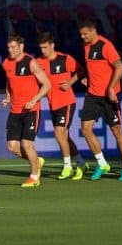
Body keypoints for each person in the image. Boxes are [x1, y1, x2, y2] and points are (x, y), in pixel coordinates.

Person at [78, 19, 122, 181]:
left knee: (116, 131)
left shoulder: (105, 45)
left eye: (85, 34)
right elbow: (94, 68)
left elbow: (120, 67)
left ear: (94, 30)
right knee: (86, 129)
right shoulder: (86, 47)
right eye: (81, 34)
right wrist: (88, 78)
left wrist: (110, 88)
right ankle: (102, 163)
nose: (83, 37)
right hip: (92, 95)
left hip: (109, 96)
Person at [36, 32, 88, 180]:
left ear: (52, 45)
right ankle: (81, 162)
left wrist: (70, 83)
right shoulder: (39, 62)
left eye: (45, 47)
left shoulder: (65, 59)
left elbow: (81, 71)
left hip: (67, 102)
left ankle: (67, 166)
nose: (43, 51)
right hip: (53, 104)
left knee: (59, 133)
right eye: (41, 48)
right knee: (64, 136)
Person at [2, 34, 51, 187]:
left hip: (31, 109)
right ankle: (37, 161)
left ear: (21, 47)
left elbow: (47, 85)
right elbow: (9, 82)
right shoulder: (6, 63)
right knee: (12, 147)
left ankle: (34, 176)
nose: (10, 50)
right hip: (15, 110)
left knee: (26, 144)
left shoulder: (31, 63)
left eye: (14, 47)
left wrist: (34, 100)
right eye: (9, 47)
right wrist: (8, 97)